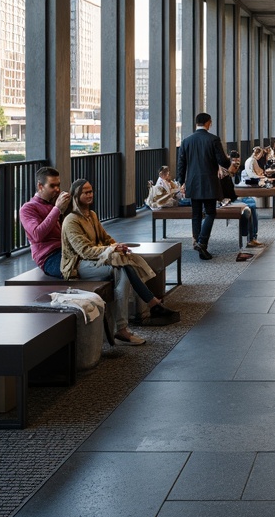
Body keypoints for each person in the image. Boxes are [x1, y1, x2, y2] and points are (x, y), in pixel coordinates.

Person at [61, 178, 180, 345]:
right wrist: (111, 250)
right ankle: (149, 307)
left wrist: (116, 245)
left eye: (91, 191)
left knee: (122, 270)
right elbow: (84, 251)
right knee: (122, 267)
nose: (90, 195)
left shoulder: (91, 215)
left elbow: (105, 238)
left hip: (96, 260)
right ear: (76, 195)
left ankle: (124, 328)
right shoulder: (71, 220)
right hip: (78, 265)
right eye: (85, 192)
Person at [177, 111, 232, 260]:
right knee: (210, 212)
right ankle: (202, 241)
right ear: (208, 123)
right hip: (209, 182)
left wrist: (181, 182)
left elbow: (181, 163)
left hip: (193, 182)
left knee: (195, 214)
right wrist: (228, 160)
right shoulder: (213, 139)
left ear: (196, 123)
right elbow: (223, 161)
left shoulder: (186, 141)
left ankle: (197, 242)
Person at [20, 165, 71, 279]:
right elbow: (37, 234)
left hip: (66, 250)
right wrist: (57, 209)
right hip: (50, 257)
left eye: (58, 185)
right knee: (96, 267)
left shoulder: (54, 203)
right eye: (52, 186)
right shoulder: (28, 208)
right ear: (40, 186)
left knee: (108, 262)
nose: (57, 189)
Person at [219, 151, 264, 249]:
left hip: (232, 199)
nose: (236, 168)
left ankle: (253, 237)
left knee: (251, 201)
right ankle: (250, 238)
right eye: (234, 165)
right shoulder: (223, 176)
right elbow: (227, 195)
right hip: (227, 201)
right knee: (250, 206)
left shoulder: (230, 174)